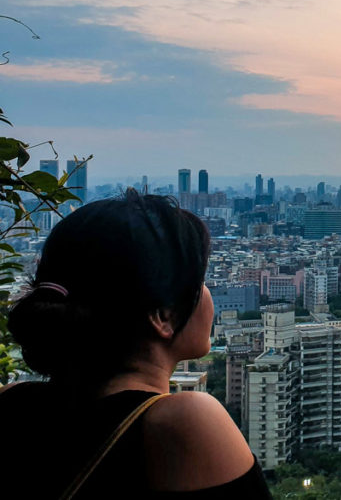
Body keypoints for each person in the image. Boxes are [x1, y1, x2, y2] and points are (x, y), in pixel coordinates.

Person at [0, 190, 271, 498]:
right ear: (163, 317)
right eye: (200, 281)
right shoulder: (184, 420)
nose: (207, 293)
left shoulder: (11, 402)